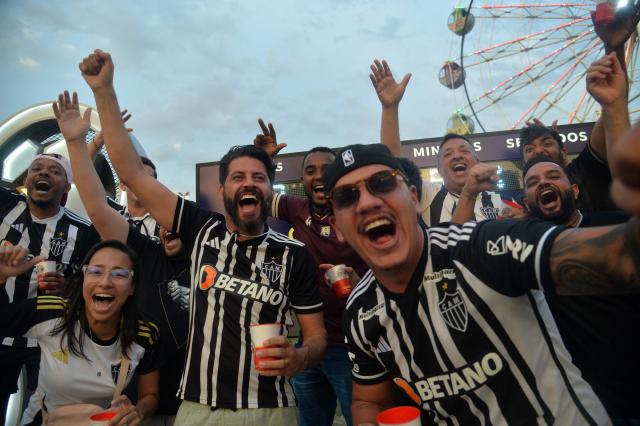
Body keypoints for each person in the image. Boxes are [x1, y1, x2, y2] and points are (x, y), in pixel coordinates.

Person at [80, 48, 327, 425]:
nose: (249, 184)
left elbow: (316, 337)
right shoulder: (201, 229)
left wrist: (300, 357)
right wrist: (105, 91)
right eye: (239, 177)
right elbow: (131, 174)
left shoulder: (295, 256)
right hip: (198, 408)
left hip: (272, 408)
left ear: (270, 189)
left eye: (259, 178)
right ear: (223, 188)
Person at [323, 142, 640, 425]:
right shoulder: (361, 310)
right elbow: (369, 400)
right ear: (337, 228)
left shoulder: (480, 247)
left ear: (414, 198)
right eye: (346, 197)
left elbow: (622, 259)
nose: (366, 203)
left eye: (382, 183)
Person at [52, 90, 189, 425]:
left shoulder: (199, 241)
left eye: (151, 181)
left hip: (198, 387)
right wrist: (81, 143)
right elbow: (95, 205)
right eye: (134, 179)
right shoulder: (130, 241)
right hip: (133, 379)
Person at [254, 120, 367, 426]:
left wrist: (360, 282)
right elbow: (255, 201)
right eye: (310, 170)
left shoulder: (359, 210)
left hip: (354, 346)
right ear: (302, 179)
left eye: (326, 169)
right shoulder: (296, 208)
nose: (318, 176)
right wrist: (265, 160)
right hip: (310, 344)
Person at [522, 155, 639, 422]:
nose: (543, 183)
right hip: (578, 406)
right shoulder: (522, 253)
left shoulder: (616, 225)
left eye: (553, 176)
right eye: (533, 182)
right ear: (525, 202)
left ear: (574, 190)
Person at [0, 240, 160, 425]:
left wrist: (137, 411)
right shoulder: (52, 312)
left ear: (132, 286)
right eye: (95, 272)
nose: (105, 282)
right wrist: (1, 276)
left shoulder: (144, 333)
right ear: (83, 279)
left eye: (119, 274)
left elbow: (150, 394)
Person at [0, 149, 100, 423]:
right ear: (27, 178)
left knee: (44, 415)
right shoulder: (6, 206)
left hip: (48, 341)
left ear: (67, 187)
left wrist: (68, 287)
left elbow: (92, 283)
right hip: (2, 333)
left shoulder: (83, 231)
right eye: (37, 168)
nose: (43, 173)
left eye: (55, 171)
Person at [368, 59, 502, 226]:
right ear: (439, 170)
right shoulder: (427, 194)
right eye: (447, 154)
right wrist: (390, 108)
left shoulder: (501, 203)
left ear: (477, 162)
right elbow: (393, 167)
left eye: (464, 151)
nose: (457, 156)